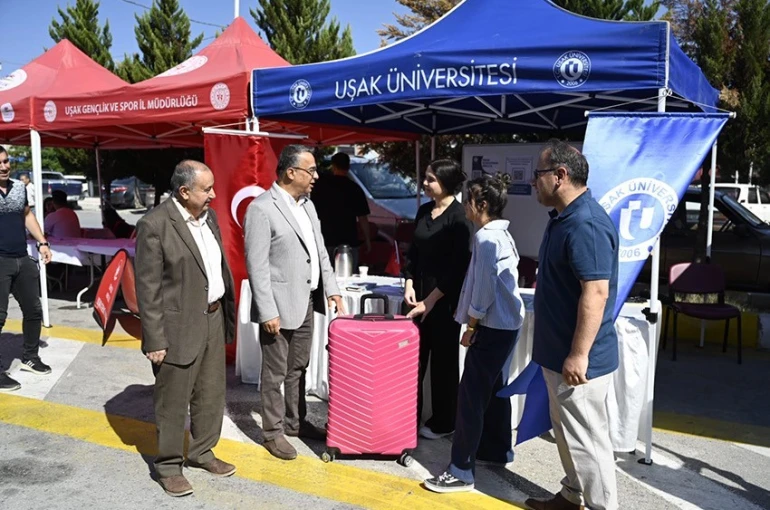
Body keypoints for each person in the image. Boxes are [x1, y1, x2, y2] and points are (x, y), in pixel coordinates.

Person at [525, 140, 619, 510]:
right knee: (567, 435)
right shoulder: (563, 218)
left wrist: (579, 355)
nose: (534, 182)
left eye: (538, 175)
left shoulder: (586, 223)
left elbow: (595, 293)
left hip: (580, 364)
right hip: (558, 355)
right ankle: (572, 495)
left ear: (560, 176)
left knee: (588, 442)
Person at [135, 160, 237, 497]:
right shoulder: (155, 224)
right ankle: (168, 466)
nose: (213, 195)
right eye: (206, 189)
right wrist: (154, 338)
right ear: (184, 191)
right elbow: (147, 288)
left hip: (212, 317)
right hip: (177, 325)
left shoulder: (209, 219)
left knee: (211, 394)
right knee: (173, 401)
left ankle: (202, 451)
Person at [424, 173, 526, 493]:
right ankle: (495, 450)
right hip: (507, 326)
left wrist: (471, 326)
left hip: (493, 326)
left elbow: (483, 291)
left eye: (468, 200)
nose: (465, 205)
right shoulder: (501, 234)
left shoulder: (485, 238)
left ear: (481, 205)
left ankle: (461, 469)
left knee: (470, 397)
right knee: (494, 390)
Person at [244, 144, 346, 461]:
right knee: (275, 374)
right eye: (311, 170)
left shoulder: (308, 206)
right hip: (278, 306)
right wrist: (267, 310)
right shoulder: (262, 209)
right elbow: (256, 265)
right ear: (291, 172)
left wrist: (332, 287)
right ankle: (273, 433)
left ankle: (295, 422)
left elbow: (319, 251)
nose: (316, 176)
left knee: (298, 369)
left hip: (305, 302)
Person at [404, 159, 472, 439]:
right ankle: (408, 415)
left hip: (443, 301)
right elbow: (413, 252)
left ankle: (444, 422)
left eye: (431, 179)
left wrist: (430, 302)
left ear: (446, 183)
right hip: (415, 297)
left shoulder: (459, 217)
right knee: (411, 361)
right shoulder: (423, 210)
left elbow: (458, 267)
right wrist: (408, 282)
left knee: (443, 363)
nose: (425, 183)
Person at [0, 145, 53, 391]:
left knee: (33, 310)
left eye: (6, 161)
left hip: (22, 258)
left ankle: (31, 356)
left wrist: (42, 242)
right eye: (0, 162)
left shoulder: (19, 188)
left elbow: (27, 215)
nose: (4, 166)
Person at [311, 152, 371, 270]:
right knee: (348, 279)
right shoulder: (355, 189)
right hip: (348, 242)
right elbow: (363, 218)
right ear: (348, 167)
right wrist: (368, 240)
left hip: (324, 239)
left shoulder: (320, 186)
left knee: (324, 279)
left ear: (333, 166)